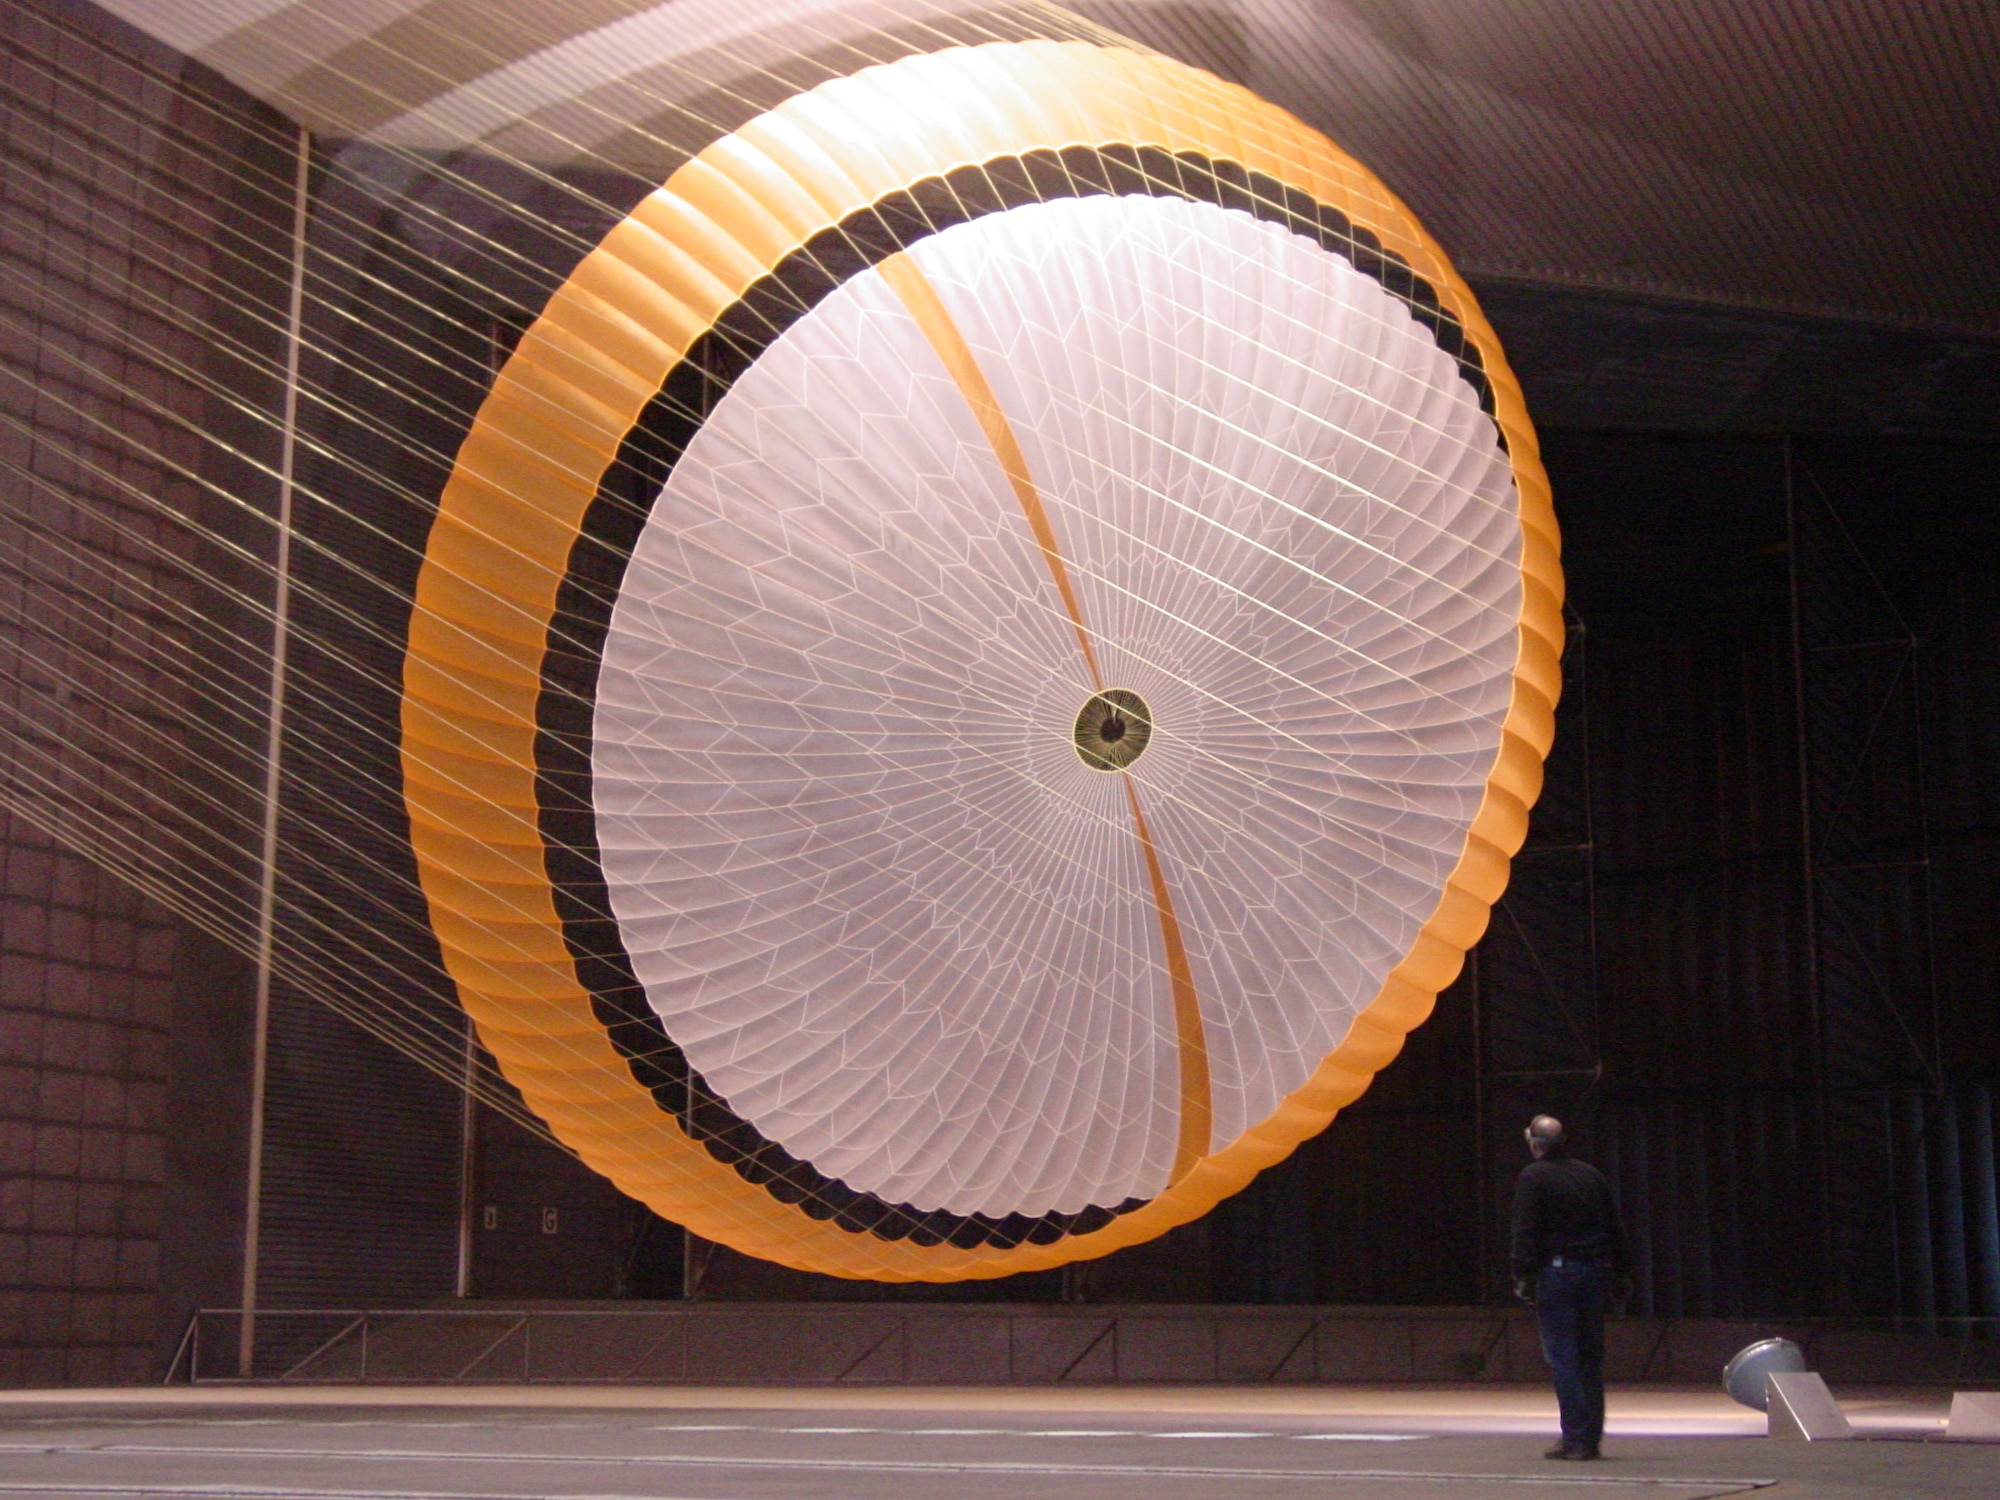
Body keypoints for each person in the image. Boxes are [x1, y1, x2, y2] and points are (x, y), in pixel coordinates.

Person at [1510, 1114, 1627, 1462]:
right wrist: (1622, 1273)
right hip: (1594, 1273)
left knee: (1564, 1359)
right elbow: (1614, 1227)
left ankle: (1574, 1437)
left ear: (1535, 1144)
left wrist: (1523, 1274)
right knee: (1590, 1359)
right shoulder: (1591, 1175)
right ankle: (1590, 1438)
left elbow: (1525, 1229)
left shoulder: (1533, 1177)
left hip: (1558, 1274)